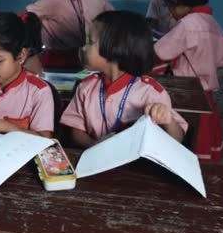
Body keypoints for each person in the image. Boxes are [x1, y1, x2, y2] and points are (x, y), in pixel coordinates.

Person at [61, 11, 188, 148]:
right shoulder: (86, 87)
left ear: (115, 49)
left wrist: (168, 121)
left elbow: (177, 140)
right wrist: (95, 145)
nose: (84, 48)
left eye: (90, 42)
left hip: (134, 167)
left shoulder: (151, 92)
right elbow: (76, 130)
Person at [154, 0, 223, 162]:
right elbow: (222, 59)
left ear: (179, 2)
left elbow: (160, 51)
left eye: (171, 6)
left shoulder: (188, 25)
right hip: (206, 96)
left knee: (183, 140)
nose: (171, 12)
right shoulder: (211, 23)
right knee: (201, 141)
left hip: (185, 95)